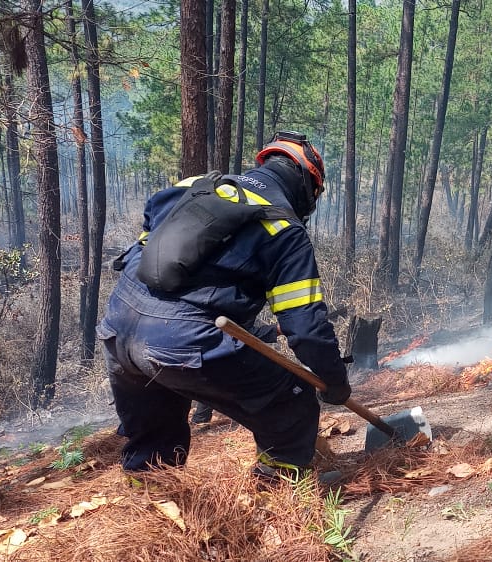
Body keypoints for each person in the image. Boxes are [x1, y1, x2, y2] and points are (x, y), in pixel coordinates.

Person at [98, 131, 350, 481]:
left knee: (154, 444)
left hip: (118, 324)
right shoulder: (283, 228)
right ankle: (278, 492)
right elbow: (305, 327)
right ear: (308, 186)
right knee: (292, 399)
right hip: (178, 344)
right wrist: (335, 380)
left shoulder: (197, 184)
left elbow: (163, 251)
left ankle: (154, 510)